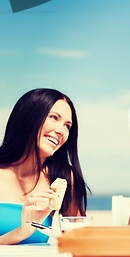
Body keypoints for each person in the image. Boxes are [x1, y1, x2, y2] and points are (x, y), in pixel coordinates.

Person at [0, 88, 90, 245]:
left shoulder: (63, 177)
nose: (62, 131)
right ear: (29, 117)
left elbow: (78, 239)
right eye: (54, 118)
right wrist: (20, 233)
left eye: (67, 126)